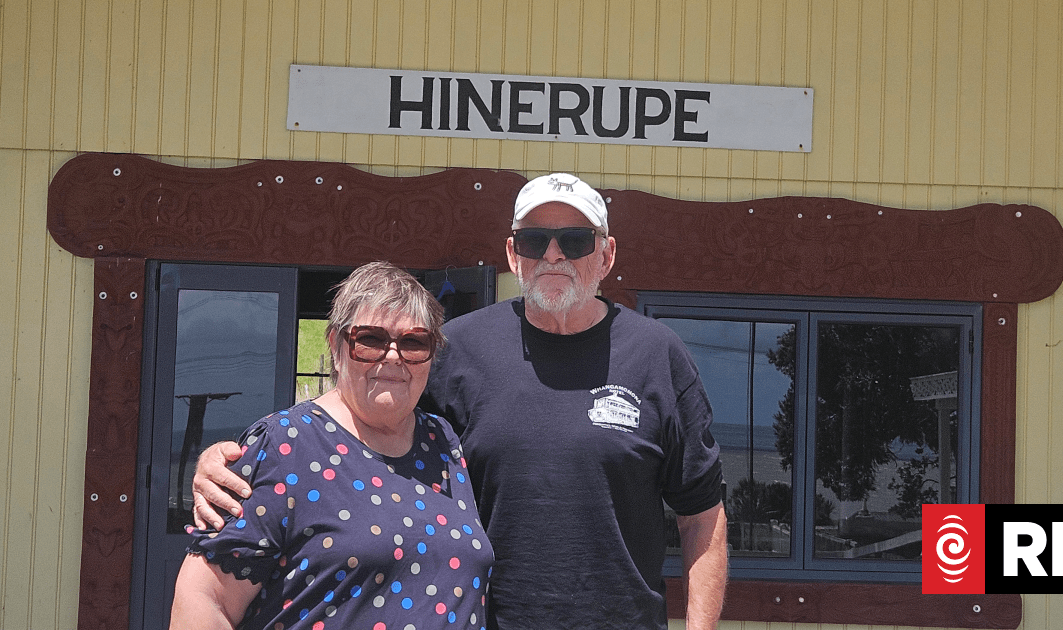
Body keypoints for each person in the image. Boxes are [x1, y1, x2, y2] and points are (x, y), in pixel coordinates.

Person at [193, 174, 728, 630]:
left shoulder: (659, 355)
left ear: (606, 254)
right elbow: (369, 419)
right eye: (536, 239)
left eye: (575, 239)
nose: (555, 253)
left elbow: (701, 515)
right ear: (512, 255)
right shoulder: (458, 348)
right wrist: (244, 455)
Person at [172, 262, 493, 630]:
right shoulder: (284, 447)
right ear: (336, 344)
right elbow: (205, 598)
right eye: (370, 339)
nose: (392, 356)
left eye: (413, 342)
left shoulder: (444, 441)